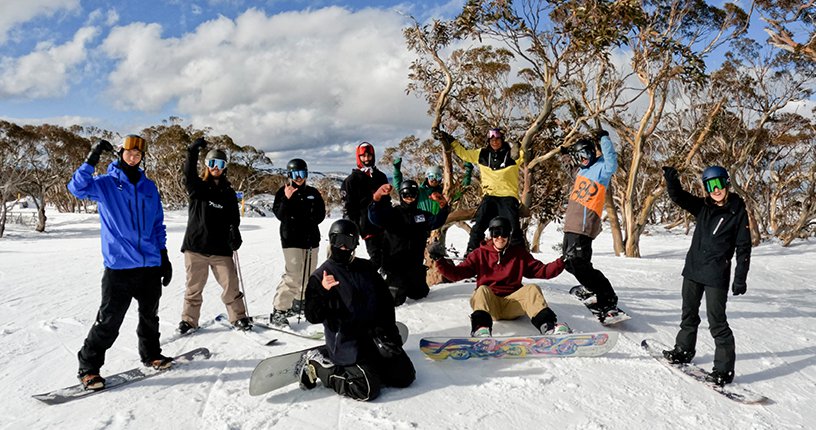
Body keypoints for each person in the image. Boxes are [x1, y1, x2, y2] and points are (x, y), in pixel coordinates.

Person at [67, 135, 174, 390]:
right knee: (109, 321)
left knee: (150, 317)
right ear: (120, 154)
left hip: (149, 265)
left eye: (138, 154)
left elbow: (158, 224)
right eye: (129, 153)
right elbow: (77, 188)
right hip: (120, 267)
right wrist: (91, 159)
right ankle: (89, 368)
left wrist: (164, 256)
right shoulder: (106, 184)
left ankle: (151, 355)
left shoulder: (149, 187)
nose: (134, 157)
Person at [297, 219, 415, 401]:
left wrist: (391, 335)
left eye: (349, 242)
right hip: (348, 342)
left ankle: (371, 369)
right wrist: (324, 293)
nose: (343, 247)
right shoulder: (321, 276)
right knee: (366, 390)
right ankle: (318, 366)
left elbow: (385, 305)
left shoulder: (366, 268)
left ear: (355, 245)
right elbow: (312, 316)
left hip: (373, 338)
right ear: (331, 241)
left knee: (405, 376)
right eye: (339, 241)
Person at [661, 165, 751, 386]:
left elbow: (743, 248)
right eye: (710, 185)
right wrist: (672, 180)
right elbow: (678, 196)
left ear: (726, 183)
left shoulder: (737, 212)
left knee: (717, 322)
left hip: (716, 275)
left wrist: (740, 277)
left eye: (719, 183)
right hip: (693, 269)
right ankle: (683, 349)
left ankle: (724, 369)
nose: (716, 189)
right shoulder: (703, 207)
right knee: (688, 314)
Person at [429, 216, 569, 336]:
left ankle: (548, 327)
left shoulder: (518, 254)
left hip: (513, 303)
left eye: (503, 233)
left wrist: (562, 261)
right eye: (496, 233)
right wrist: (439, 260)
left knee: (532, 288)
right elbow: (457, 274)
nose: (500, 237)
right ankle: (480, 329)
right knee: (482, 290)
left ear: (509, 235)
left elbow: (543, 271)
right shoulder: (480, 254)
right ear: (491, 235)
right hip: (491, 305)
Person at [178, 139, 250, 334]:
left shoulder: (228, 193)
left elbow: (234, 220)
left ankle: (239, 317)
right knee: (194, 288)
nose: (215, 168)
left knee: (231, 286)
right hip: (196, 248)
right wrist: (192, 151)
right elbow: (188, 173)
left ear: (224, 167)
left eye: (219, 164)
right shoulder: (198, 188)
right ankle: (189, 321)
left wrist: (235, 233)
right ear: (207, 166)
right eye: (212, 164)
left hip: (220, 249)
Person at [560, 129, 621, 320]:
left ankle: (607, 298)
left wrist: (603, 139)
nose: (583, 159)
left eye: (586, 154)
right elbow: (570, 167)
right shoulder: (582, 171)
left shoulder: (602, 168)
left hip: (584, 226)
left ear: (593, 152)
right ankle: (589, 287)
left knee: (580, 263)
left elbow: (611, 161)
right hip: (571, 224)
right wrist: (565, 155)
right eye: (579, 156)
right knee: (569, 263)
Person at [434, 127, 524, 254]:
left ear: (502, 139)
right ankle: (471, 252)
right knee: (479, 224)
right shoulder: (482, 153)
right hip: (490, 196)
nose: (495, 142)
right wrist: (451, 140)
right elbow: (464, 154)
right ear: (488, 141)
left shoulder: (512, 154)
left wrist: (520, 145)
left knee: (513, 227)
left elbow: (527, 154)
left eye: (498, 139)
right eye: (492, 139)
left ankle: (520, 255)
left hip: (508, 196)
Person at [368, 180, 449, 305]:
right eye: (406, 194)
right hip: (394, 266)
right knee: (395, 299)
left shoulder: (422, 215)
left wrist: (443, 205)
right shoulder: (392, 213)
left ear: (417, 195)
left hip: (414, 266)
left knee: (419, 294)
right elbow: (375, 218)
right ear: (401, 195)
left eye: (413, 194)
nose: (409, 198)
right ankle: (385, 285)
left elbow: (436, 221)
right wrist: (376, 198)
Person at [270, 158, 326, 325]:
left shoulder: (313, 193)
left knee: (308, 274)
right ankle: (279, 309)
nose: (299, 177)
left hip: (311, 240)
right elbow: (280, 215)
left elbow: (320, 215)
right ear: (290, 175)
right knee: (293, 275)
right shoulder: (283, 192)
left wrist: (309, 217)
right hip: (291, 240)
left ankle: (300, 302)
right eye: (295, 174)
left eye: (302, 173)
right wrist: (287, 199)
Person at [341, 142, 389, 269]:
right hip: (367, 226)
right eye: (363, 156)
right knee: (376, 259)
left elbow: (387, 201)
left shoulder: (381, 176)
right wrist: (356, 229)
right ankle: (365, 281)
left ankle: (388, 286)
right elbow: (349, 208)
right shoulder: (351, 180)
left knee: (388, 258)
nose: (367, 159)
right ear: (358, 157)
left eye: (369, 156)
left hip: (384, 224)